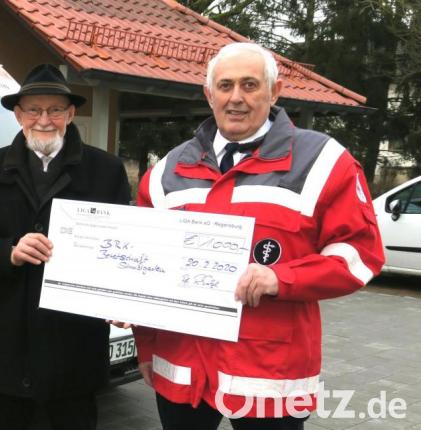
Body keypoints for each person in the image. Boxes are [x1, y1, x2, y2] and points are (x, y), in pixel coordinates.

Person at [132, 43, 384, 429]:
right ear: (208, 94)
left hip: (268, 378)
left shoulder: (324, 161)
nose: (236, 98)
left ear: (275, 91)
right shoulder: (166, 171)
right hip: (181, 367)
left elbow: (360, 254)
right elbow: (142, 264)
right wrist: (145, 346)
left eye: (250, 85)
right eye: (225, 85)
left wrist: (281, 278)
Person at [0, 64, 131, 430]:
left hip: (74, 348)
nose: (44, 119)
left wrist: (121, 298)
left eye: (54, 110)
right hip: (9, 346)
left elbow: (123, 248)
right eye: (34, 110)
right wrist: (9, 251)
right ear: (18, 115)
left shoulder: (107, 170)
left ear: (70, 113)